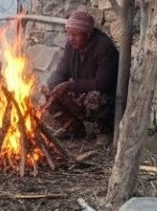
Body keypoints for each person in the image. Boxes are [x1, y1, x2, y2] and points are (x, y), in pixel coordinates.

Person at [44, 10, 119, 139]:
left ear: (88, 34)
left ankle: (104, 131)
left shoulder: (104, 48)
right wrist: (54, 84)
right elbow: (62, 70)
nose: (70, 39)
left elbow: (102, 82)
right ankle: (74, 128)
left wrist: (69, 85)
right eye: (68, 34)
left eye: (75, 35)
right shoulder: (71, 46)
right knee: (48, 89)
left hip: (106, 96)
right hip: (80, 89)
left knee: (94, 98)